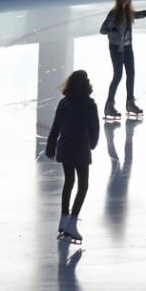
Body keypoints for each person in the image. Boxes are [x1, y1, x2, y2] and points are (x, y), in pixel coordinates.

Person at [44, 69, 98, 243]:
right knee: (83, 186)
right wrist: (92, 143)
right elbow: (94, 128)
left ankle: (64, 218)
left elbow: (56, 127)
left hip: (65, 148)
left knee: (69, 182)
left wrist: (50, 147)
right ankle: (72, 222)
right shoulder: (90, 104)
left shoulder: (64, 103)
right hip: (80, 148)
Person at [99, 0, 146, 120]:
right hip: (116, 48)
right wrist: (112, 31)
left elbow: (135, 14)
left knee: (131, 73)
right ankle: (109, 105)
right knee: (118, 75)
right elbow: (102, 29)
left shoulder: (127, 11)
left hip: (128, 47)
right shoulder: (113, 14)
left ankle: (130, 103)